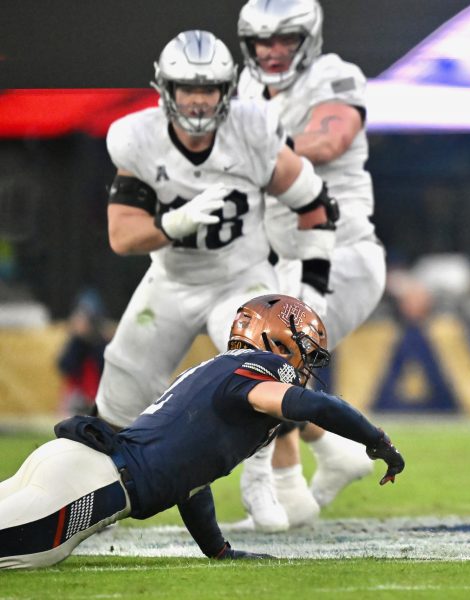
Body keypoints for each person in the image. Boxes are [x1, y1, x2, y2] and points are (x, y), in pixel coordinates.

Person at [0, 294, 405, 569]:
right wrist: (377, 441)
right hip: (94, 487)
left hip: (75, 466)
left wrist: (218, 550)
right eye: (304, 352)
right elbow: (315, 405)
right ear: (280, 345)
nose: (305, 367)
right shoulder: (262, 368)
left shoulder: (213, 373)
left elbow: (191, 481)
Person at [95, 32, 333, 468]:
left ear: (227, 90)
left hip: (241, 277)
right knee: (121, 388)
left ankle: (294, 474)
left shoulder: (251, 131)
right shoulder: (139, 138)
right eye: (187, 88)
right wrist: (175, 223)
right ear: (166, 89)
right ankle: (103, 481)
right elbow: (122, 236)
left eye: (208, 89)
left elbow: (314, 202)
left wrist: (314, 286)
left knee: (272, 368)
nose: (198, 101)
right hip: (171, 280)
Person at [234, 0, 387, 531]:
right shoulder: (245, 89)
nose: (273, 51)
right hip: (286, 259)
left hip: (342, 254)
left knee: (265, 358)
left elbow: (328, 138)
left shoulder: (333, 75)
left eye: (285, 39)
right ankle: (317, 463)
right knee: (260, 359)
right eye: (263, 41)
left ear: (309, 39)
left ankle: (282, 488)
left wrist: (247, 152)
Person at [57, 290, 111, 417]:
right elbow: (65, 367)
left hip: (98, 397)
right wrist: (78, 340)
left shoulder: (102, 345)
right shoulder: (76, 344)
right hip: (78, 396)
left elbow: (104, 370)